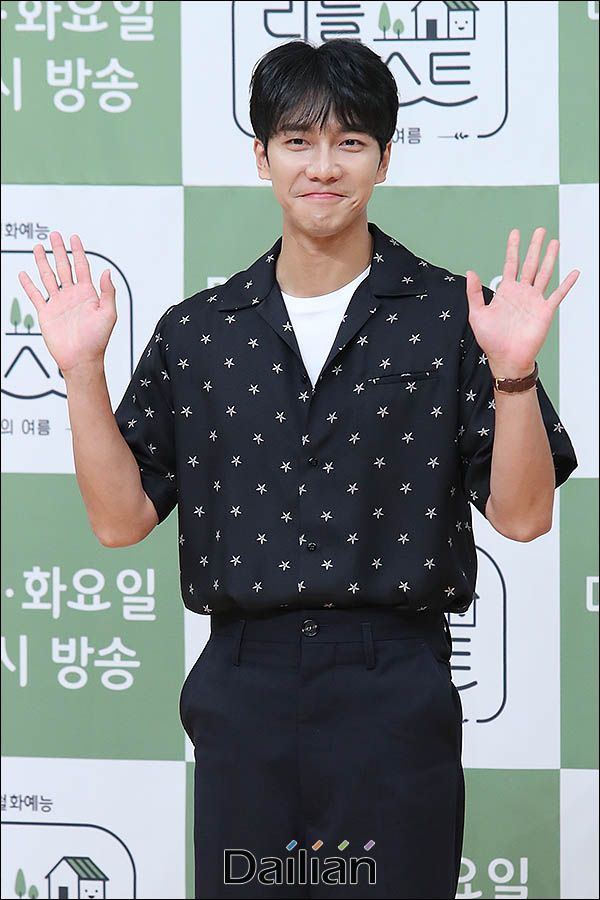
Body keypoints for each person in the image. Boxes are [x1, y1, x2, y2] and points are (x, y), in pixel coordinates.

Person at [19, 38, 579, 900]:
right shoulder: (198, 331)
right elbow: (119, 522)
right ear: (261, 157)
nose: (323, 166)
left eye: (350, 142)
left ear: (384, 160)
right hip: (245, 688)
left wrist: (515, 373)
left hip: (395, 686)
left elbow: (525, 515)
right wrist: (82, 371)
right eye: (297, 141)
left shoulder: (451, 317)